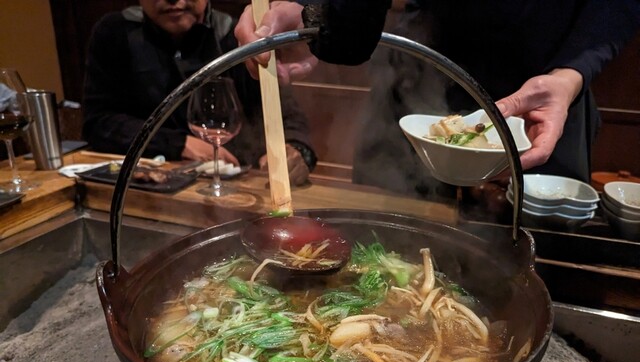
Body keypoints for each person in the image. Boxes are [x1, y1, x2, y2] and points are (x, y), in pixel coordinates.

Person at [235, 0, 640, 187]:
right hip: (421, 72)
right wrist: (317, 13)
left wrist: (570, 75)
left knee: (532, 270)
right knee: (380, 240)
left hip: (546, 94)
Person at [82, 0, 317, 185]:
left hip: (235, 188)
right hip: (144, 184)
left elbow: (287, 116)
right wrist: (178, 143)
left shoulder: (236, 36)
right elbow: (98, 123)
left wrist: (295, 149)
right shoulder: (115, 33)